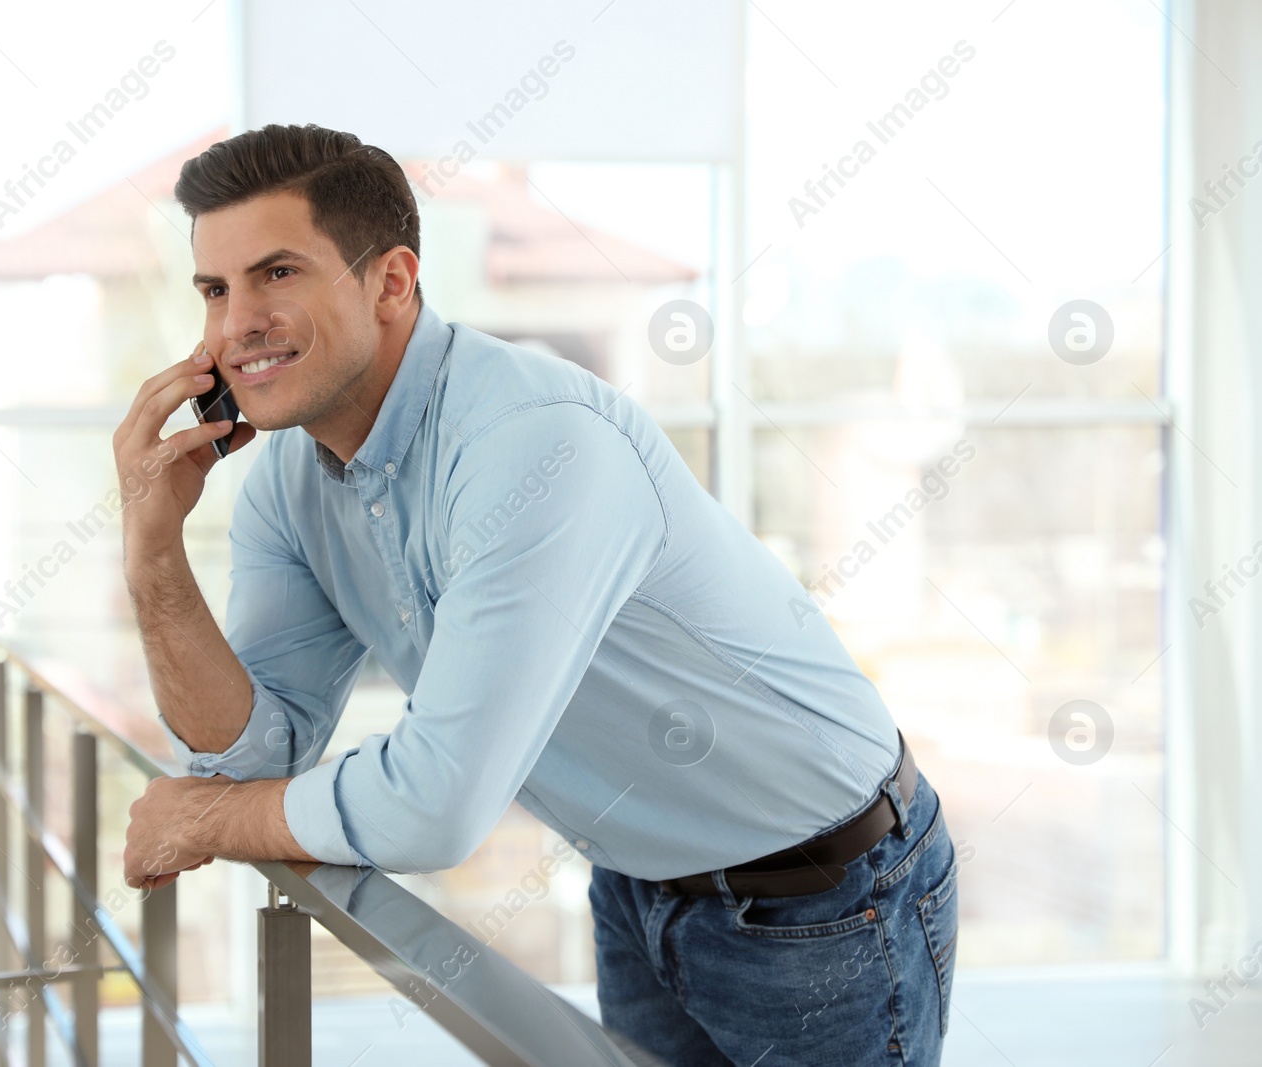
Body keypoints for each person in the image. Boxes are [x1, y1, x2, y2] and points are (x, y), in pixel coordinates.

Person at [114, 122, 958, 1066]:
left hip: (828, 891)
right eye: (215, 290)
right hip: (639, 881)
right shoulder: (289, 485)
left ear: (392, 282)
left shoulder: (534, 442)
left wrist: (209, 821)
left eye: (277, 274)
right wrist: (152, 550)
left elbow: (433, 804)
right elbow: (252, 753)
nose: (234, 327)